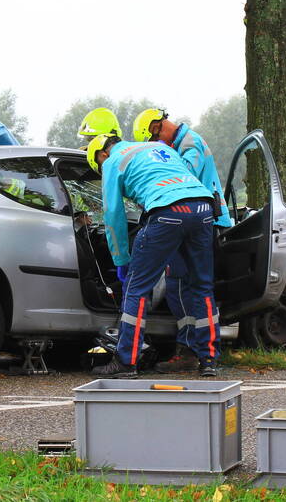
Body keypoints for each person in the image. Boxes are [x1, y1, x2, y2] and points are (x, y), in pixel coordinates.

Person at [87, 134, 220, 378]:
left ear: (101, 154)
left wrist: (121, 260)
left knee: (136, 289)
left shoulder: (111, 161)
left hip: (167, 212)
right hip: (203, 208)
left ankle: (126, 361)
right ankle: (209, 359)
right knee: (202, 287)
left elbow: (113, 214)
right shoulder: (158, 148)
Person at [133, 108, 232, 372]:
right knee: (189, 285)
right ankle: (199, 352)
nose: (156, 146)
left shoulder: (191, 144)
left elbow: (182, 175)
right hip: (200, 218)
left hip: (199, 218)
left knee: (187, 285)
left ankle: (196, 350)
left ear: (158, 127)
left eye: (154, 141)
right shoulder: (184, 142)